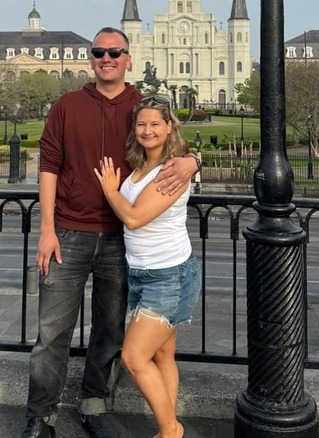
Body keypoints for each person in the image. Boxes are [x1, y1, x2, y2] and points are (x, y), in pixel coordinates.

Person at [22, 27, 199, 438]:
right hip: (68, 234)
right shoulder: (67, 105)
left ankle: (94, 404)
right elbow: (48, 166)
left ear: (128, 58)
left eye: (115, 51)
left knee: (110, 331)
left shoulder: (142, 107)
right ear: (91, 58)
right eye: (99, 51)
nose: (107, 57)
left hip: (121, 241)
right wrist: (46, 229)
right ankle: (40, 415)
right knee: (51, 333)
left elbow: (172, 145)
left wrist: (194, 161)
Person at [94, 96, 200, 438]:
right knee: (162, 356)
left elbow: (135, 217)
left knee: (134, 357)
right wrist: (195, 159)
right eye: (141, 124)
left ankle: (171, 430)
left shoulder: (172, 169)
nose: (147, 130)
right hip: (143, 273)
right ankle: (166, 429)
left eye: (155, 124)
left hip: (168, 275)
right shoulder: (141, 165)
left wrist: (111, 191)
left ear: (169, 127)